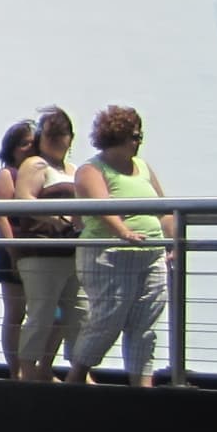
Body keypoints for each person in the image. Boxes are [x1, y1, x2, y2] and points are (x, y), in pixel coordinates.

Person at [70, 106, 174, 387]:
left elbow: (164, 209)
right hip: (110, 256)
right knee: (107, 319)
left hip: (150, 255)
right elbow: (102, 205)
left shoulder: (143, 168)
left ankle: (142, 387)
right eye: (134, 136)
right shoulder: (92, 169)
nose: (139, 142)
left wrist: (172, 240)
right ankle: (76, 378)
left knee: (146, 323)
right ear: (117, 137)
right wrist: (124, 231)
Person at [11, 108, 85, 380]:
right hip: (41, 251)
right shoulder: (34, 165)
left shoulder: (75, 171)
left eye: (61, 133)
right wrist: (53, 217)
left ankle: (72, 369)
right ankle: (28, 370)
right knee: (41, 313)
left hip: (72, 252)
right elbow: (23, 199)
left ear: (70, 138)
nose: (55, 139)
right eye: (49, 134)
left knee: (79, 313)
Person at [0, 119, 37, 376]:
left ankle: (35, 366)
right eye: (24, 144)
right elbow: (1, 216)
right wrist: (14, 251)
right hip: (12, 251)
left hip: (37, 251)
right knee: (15, 312)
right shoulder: (8, 174)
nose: (29, 148)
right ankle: (15, 369)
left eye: (33, 143)